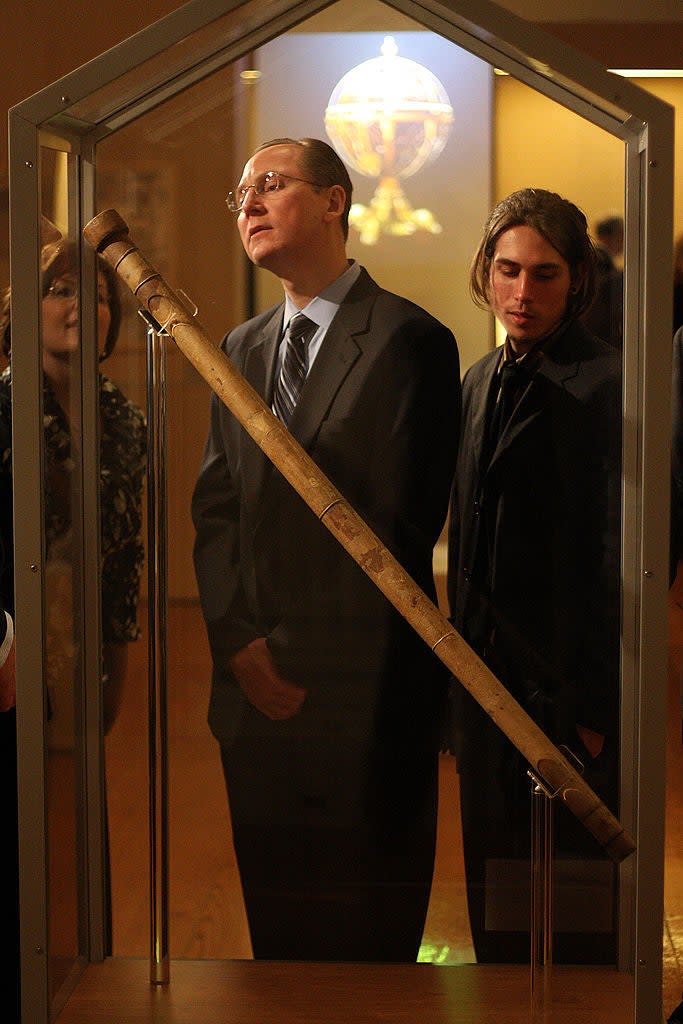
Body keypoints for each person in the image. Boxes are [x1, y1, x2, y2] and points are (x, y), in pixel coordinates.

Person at [192, 136, 461, 962]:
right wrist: (240, 646)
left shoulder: (409, 340)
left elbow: (400, 526)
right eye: (239, 195)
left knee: (364, 945)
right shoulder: (239, 347)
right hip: (252, 698)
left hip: (360, 690)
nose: (248, 205)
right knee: (279, 938)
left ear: (335, 201)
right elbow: (217, 509)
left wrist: (292, 654)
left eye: (269, 185)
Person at [447, 188, 622, 965]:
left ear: (577, 279)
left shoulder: (614, 385)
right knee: (496, 905)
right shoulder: (480, 376)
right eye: (508, 270)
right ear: (485, 272)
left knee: (574, 917)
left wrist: (591, 702)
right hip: (486, 679)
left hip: (567, 693)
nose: (522, 293)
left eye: (544, 275)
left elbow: (626, 555)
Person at [0, 238, 146, 1000]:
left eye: (95, 296)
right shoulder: (3, 406)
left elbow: (125, 565)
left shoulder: (123, 418)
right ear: (23, 308)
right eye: (59, 290)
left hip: (78, 664)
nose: (78, 307)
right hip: (6, 670)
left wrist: (116, 671)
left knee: (72, 845)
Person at [580, 213, 623, 349]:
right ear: (607, 237)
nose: (624, 241)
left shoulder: (597, 259)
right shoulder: (600, 262)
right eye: (621, 235)